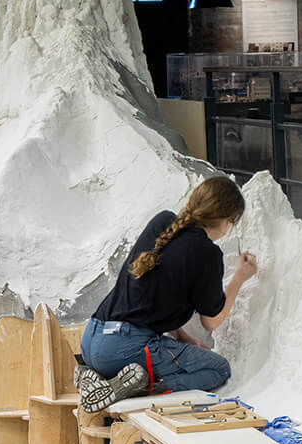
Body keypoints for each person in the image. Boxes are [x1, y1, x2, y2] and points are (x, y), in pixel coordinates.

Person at [76, 176, 257, 413]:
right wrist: (240, 278)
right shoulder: (208, 253)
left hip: (91, 339)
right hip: (124, 349)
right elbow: (211, 321)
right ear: (226, 221)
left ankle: (102, 378)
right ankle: (136, 387)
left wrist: (181, 335)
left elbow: (152, 293)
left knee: (151, 353)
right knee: (218, 368)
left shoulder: (162, 222)